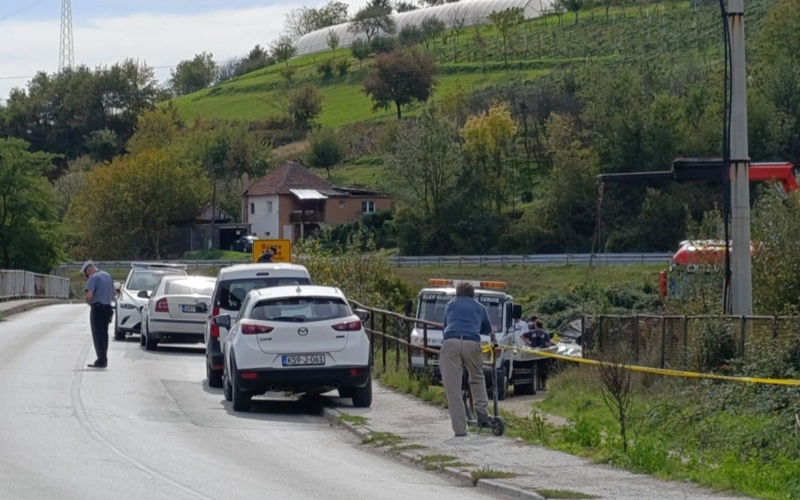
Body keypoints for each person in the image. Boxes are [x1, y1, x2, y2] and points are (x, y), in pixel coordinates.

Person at [440, 282, 493, 437]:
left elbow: (445, 325)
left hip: (451, 342)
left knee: (453, 387)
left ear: (457, 293)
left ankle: (460, 429)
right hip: (472, 342)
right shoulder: (480, 307)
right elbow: (487, 329)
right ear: (472, 294)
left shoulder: (450, 305)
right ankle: (482, 414)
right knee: (477, 378)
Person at [82, 261, 114, 368]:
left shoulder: (93, 278)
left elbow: (89, 295)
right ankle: (104, 358)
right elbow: (113, 293)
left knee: (97, 334)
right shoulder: (108, 276)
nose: (88, 276)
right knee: (104, 334)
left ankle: (101, 360)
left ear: (88, 270)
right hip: (108, 308)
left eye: (87, 274)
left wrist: (88, 301)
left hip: (98, 308)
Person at [522, 320, 553, 390]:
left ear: (536, 325)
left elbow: (522, 335)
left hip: (534, 355)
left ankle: (538, 385)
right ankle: (544, 386)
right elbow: (549, 343)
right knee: (544, 371)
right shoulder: (545, 333)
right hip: (544, 354)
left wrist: (527, 342)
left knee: (537, 370)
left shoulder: (532, 332)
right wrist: (547, 346)